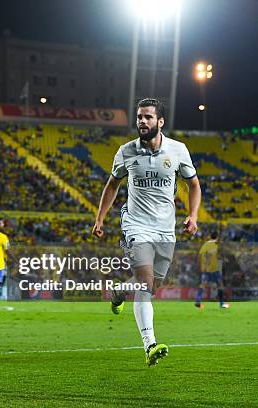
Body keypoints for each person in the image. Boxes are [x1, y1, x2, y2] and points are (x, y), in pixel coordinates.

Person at [92, 98, 201, 366]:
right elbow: (112, 185)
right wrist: (100, 219)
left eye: (148, 117)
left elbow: (194, 185)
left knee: (152, 284)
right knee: (144, 283)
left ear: (160, 122)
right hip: (135, 225)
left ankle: (119, 292)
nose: (142, 121)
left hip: (165, 229)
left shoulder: (178, 150)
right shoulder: (126, 151)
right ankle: (149, 344)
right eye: (139, 117)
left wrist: (193, 215)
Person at [195, 231, 229, 309]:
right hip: (215, 269)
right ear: (217, 237)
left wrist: (201, 266)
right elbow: (220, 255)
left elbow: (200, 255)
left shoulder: (205, 244)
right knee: (220, 285)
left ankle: (198, 301)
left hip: (205, 269)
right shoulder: (218, 244)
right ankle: (222, 304)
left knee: (203, 284)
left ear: (210, 236)